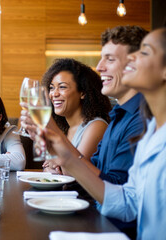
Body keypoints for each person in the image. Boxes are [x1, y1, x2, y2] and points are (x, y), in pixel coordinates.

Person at [39, 27, 166, 240]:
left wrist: (65, 151)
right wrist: (66, 156)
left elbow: (116, 189)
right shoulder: (139, 124)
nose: (98, 67)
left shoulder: (140, 123)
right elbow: (128, 201)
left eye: (144, 53)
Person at [21, 26, 147, 184]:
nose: (99, 67)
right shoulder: (117, 117)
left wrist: (54, 135)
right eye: (52, 88)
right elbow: (86, 171)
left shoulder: (139, 120)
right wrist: (51, 143)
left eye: (110, 59)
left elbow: (109, 187)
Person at [40, 58, 111, 173]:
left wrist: (56, 162)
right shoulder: (66, 128)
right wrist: (54, 165)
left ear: (82, 92)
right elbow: (48, 168)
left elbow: (74, 174)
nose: (54, 93)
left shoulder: (96, 126)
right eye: (52, 87)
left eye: (62, 87)